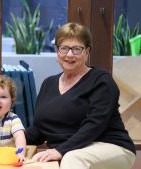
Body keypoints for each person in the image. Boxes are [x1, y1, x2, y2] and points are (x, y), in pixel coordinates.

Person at [25, 22, 136, 169]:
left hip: (110, 145)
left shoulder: (101, 80)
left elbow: (95, 124)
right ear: (57, 51)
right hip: (70, 150)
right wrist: (8, 134)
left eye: (77, 49)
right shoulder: (48, 83)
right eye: (64, 48)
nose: (69, 54)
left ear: (87, 52)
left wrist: (60, 150)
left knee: (73, 159)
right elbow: (39, 129)